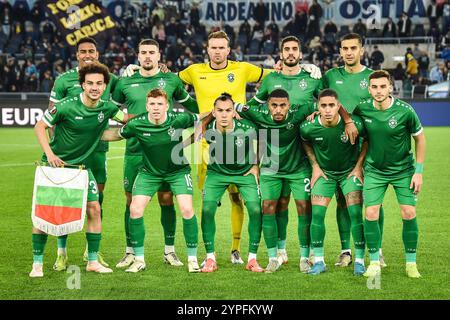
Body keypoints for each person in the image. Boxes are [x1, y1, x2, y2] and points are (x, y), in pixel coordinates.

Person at [123, 31, 322, 264]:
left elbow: (280, 72)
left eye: (222, 47)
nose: (217, 51)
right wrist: (135, 68)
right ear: (207, 49)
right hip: (205, 144)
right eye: (213, 47)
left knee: (238, 199)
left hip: (237, 143)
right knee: (208, 203)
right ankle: (208, 255)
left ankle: (236, 249)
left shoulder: (243, 68)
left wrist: (308, 66)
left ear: (229, 50)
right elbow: (164, 76)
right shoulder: (194, 71)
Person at [247, 35, 357, 266]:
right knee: (277, 204)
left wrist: (346, 120)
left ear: (300, 53)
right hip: (275, 154)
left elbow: (330, 102)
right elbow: (254, 108)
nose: (290, 53)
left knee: (302, 205)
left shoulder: (313, 78)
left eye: (294, 49)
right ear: (280, 53)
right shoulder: (271, 80)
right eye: (286, 49)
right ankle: (280, 251)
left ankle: (309, 256)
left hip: (304, 153)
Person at [29, 63, 128, 277]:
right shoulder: (65, 105)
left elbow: (125, 122)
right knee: (45, 215)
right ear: (82, 85)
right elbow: (39, 126)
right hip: (55, 167)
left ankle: (92, 261)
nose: (95, 87)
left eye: (99, 83)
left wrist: (147, 119)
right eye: (90, 83)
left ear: (105, 86)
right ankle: (37, 264)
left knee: (94, 207)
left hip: (82, 169)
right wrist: (51, 154)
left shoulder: (108, 108)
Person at [111, 39, 199, 269]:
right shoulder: (125, 81)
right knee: (131, 201)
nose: (147, 56)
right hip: (135, 151)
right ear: (137, 56)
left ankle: (169, 251)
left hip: (165, 153)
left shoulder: (171, 80)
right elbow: (110, 108)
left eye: (152, 52)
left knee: (167, 199)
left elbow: (193, 106)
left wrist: (219, 114)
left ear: (159, 55)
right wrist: (124, 119)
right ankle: (130, 251)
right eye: (143, 53)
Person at [101, 88, 204, 273]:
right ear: (147, 105)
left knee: (187, 209)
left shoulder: (179, 119)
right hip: (149, 172)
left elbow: (201, 118)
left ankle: (192, 259)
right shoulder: (137, 123)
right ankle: (139, 259)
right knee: (134, 208)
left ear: (167, 106)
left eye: (160, 104)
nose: (156, 108)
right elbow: (115, 135)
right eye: (152, 104)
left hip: (178, 171)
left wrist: (195, 136)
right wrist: (86, 133)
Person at [48, 37, 118, 271]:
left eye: (92, 50)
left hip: (98, 150)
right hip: (70, 153)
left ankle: (92, 253)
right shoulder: (63, 80)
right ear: (77, 55)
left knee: (96, 199)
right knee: (65, 201)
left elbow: (131, 92)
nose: (87, 54)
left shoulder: (109, 78)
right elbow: (52, 116)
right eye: (83, 51)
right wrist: (56, 150)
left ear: (97, 53)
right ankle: (62, 252)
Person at [352, 70, 426, 279]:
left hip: (403, 170)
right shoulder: (362, 109)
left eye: (383, 86)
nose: (378, 91)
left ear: (390, 87)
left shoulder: (405, 111)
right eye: (374, 87)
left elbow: (420, 139)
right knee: (371, 213)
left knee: (408, 213)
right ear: (369, 89)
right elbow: (354, 128)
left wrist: (418, 172)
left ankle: (411, 263)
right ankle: (375, 261)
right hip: (375, 170)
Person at [323, 33, 386, 268]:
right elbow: (316, 99)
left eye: (353, 48)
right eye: (344, 48)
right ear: (340, 51)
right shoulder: (330, 76)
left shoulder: (372, 78)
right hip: (339, 150)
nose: (348, 52)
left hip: (368, 148)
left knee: (373, 201)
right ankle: (346, 251)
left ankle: (376, 250)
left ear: (362, 50)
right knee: (342, 201)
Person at [235, 89, 315, 273]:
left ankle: (304, 257)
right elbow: (234, 105)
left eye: (282, 106)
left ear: (289, 105)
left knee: (304, 207)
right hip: (271, 169)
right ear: (267, 105)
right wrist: (234, 112)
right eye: (274, 105)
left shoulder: (299, 111)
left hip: (298, 169)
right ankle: (273, 257)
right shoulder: (258, 112)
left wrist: (317, 112)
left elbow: (328, 104)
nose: (278, 110)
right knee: (268, 208)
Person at [300, 89, 367, 276]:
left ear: (339, 106)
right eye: (323, 106)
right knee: (317, 214)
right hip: (325, 174)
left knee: (355, 213)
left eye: (331, 105)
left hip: (349, 173)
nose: (328, 109)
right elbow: (304, 141)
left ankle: (360, 261)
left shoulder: (355, 124)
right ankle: (319, 262)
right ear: (318, 107)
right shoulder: (308, 126)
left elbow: (368, 140)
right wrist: (314, 165)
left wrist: (358, 167)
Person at [200, 93, 264, 273]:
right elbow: (201, 126)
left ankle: (252, 258)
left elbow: (265, 136)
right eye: (219, 110)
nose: (224, 114)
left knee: (255, 209)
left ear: (233, 112)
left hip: (244, 173)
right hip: (217, 173)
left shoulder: (246, 126)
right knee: (206, 209)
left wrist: (256, 165)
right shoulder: (209, 126)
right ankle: (210, 258)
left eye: (228, 110)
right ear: (213, 112)